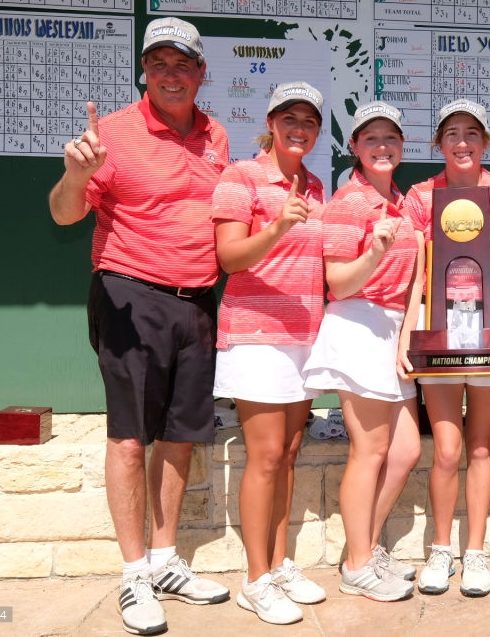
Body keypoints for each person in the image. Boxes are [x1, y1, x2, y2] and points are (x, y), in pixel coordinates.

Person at [48, 17, 230, 636]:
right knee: (129, 438)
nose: (171, 75)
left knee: (179, 436)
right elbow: (65, 213)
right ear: (144, 72)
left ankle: (163, 559)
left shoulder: (217, 136)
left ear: (201, 72)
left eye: (182, 64)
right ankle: (133, 576)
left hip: (199, 299)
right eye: (159, 64)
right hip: (130, 293)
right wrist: (76, 173)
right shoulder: (115, 134)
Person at [400, 98, 490, 597]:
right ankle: (441, 548)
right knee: (447, 449)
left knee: (480, 445)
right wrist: (406, 336)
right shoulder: (420, 195)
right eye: (452, 133)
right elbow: (416, 277)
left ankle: (474, 552)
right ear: (438, 143)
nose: (462, 142)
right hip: (438, 334)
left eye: (472, 133)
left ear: (486, 142)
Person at [211, 81, 328, 624]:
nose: (299, 127)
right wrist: (279, 225)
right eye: (290, 118)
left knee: (287, 454)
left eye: (309, 120)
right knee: (263, 457)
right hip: (255, 335)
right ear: (272, 122)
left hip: (304, 338)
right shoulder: (241, 176)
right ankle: (255, 579)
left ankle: (278, 563)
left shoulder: (318, 187)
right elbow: (230, 258)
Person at [302, 101, 420, 602]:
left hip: (395, 330)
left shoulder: (405, 202)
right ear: (354, 147)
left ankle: (365, 547)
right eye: (371, 138)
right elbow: (339, 283)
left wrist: (409, 332)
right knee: (369, 451)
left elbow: (418, 277)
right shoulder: (347, 204)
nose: (382, 146)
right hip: (359, 323)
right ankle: (356, 564)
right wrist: (373, 252)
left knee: (406, 450)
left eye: (390, 137)